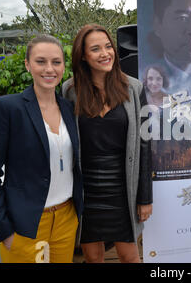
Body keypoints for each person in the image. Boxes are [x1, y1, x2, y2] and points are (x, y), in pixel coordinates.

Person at [0, 34, 83, 263]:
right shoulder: (9, 108)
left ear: (64, 66)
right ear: (27, 64)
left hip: (66, 219)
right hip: (26, 224)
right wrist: (4, 229)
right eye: (40, 61)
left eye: (56, 62)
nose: (49, 69)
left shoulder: (68, 107)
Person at [63, 24, 152, 263]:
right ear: (83, 55)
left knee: (130, 257)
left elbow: (144, 144)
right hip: (87, 191)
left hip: (124, 189)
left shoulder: (134, 88)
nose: (105, 53)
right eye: (95, 49)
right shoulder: (70, 91)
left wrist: (145, 197)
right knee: (93, 258)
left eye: (108, 46)